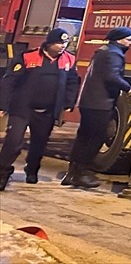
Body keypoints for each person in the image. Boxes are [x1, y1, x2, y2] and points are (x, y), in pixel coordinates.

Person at [0, 27, 81, 190]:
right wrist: (3, 105)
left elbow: (73, 82)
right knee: (14, 142)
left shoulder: (69, 60)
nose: (62, 46)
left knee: (39, 143)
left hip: (47, 111)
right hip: (22, 108)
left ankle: (32, 169)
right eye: (59, 43)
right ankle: (2, 173)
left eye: (65, 43)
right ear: (49, 43)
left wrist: (68, 103)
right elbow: (9, 81)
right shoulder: (28, 56)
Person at [63, 26, 131, 189]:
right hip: (100, 104)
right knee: (95, 138)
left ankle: (72, 173)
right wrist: (128, 87)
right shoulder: (114, 54)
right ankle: (82, 172)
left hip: (90, 102)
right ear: (118, 39)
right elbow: (111, 76)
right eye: (128, 40)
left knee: (83, 137)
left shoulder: (103, 51)